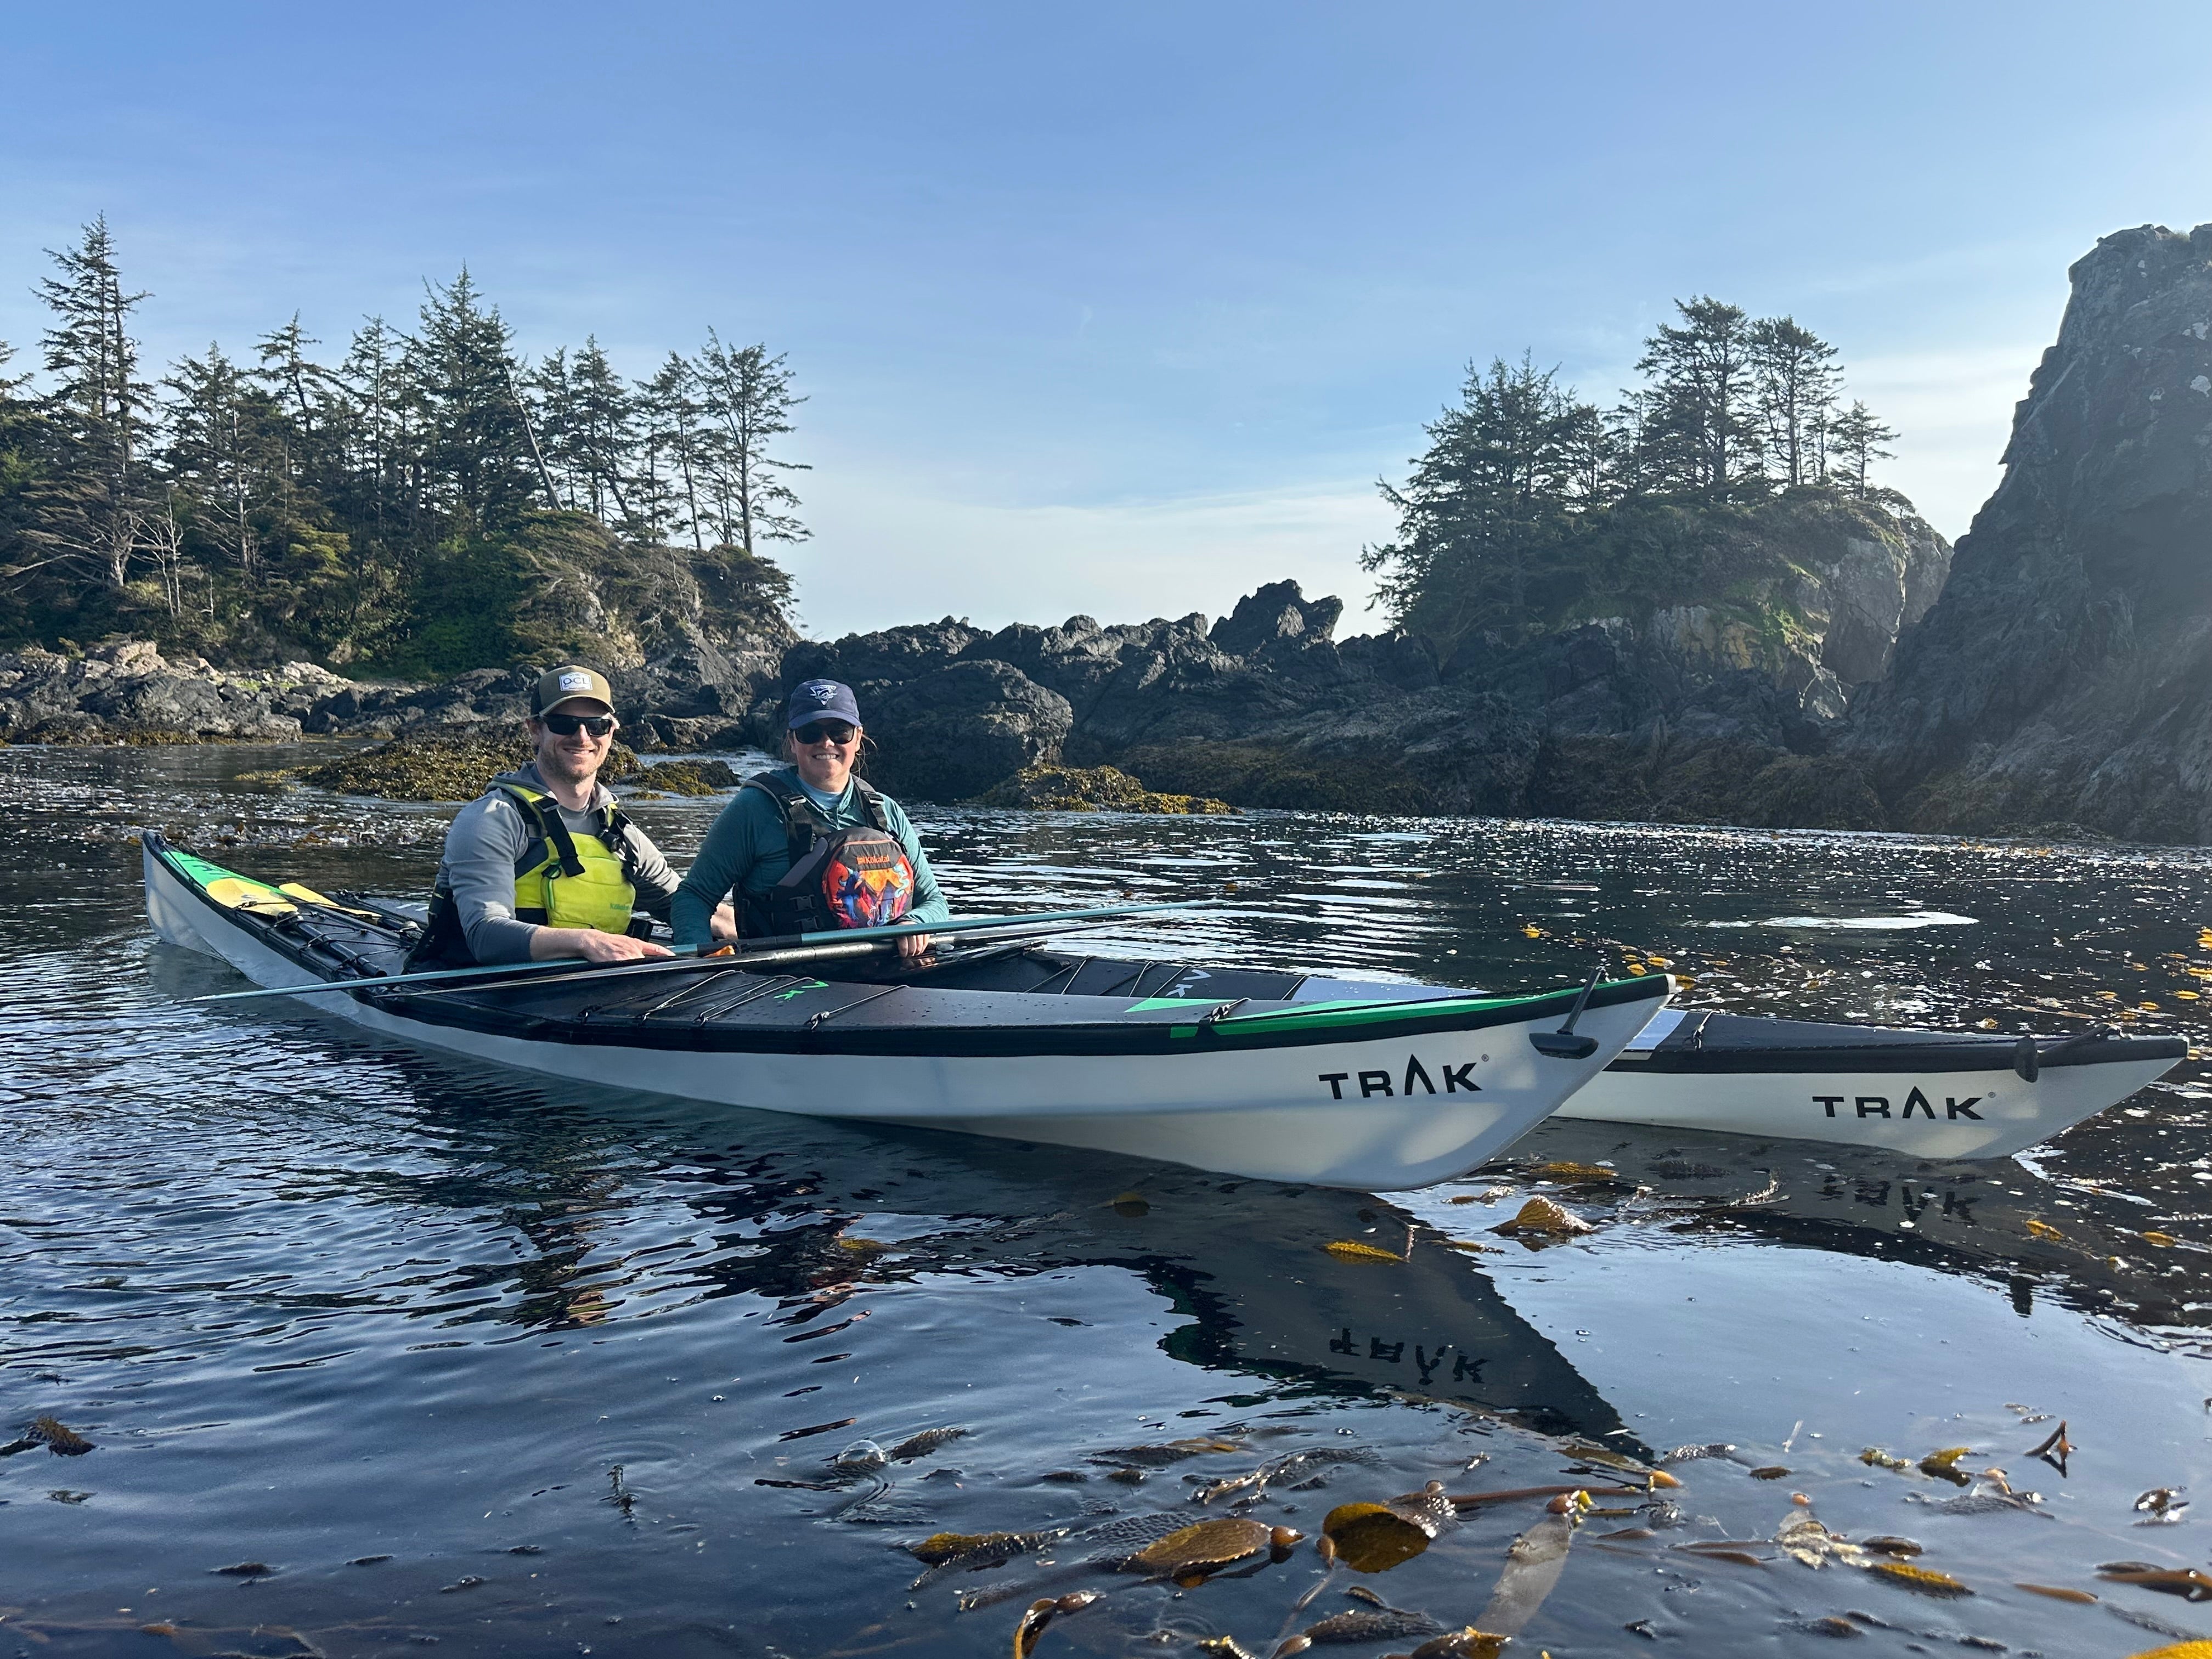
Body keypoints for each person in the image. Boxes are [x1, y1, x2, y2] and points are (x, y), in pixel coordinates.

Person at [411, 665, 735, 968]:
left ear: (612, 732)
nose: (582, 737)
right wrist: (587, 942)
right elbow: (486, 935)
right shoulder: (492, 819)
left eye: (596, 725)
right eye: (564, 723)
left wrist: (748, 925)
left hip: (587, 992)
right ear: (535, 730)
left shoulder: (619, 831)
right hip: (488, 992)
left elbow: (683, 904)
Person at [672, 678, 949, 956]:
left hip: (884, 968)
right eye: (810, 732)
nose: (826, 742)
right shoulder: (754, 808)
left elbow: (934, 901)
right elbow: (695, 897)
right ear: (792, 741)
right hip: (786, 978)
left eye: (840, 731)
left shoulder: (886, 812)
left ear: (858, 738)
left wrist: (917, 922)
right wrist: (698, 960)